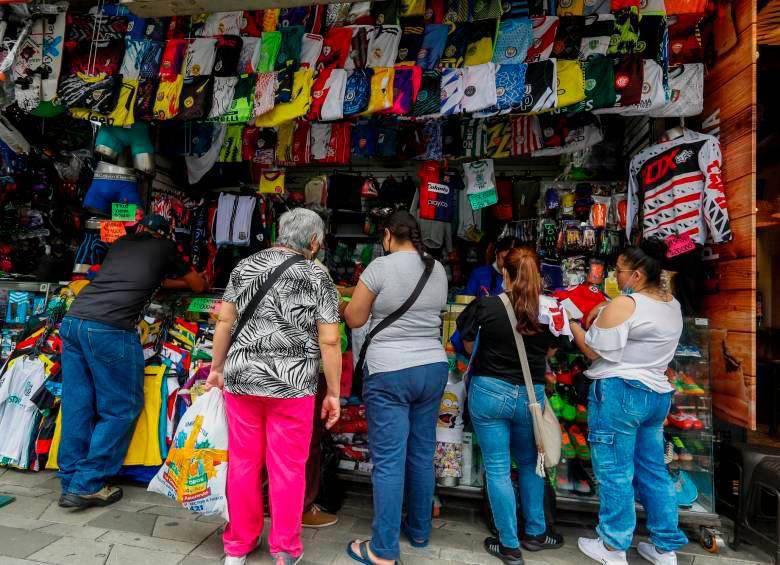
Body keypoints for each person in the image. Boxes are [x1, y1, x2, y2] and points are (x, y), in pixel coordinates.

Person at [205, 208, 342, 565]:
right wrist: (333, 392)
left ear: (280, 233)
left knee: (244, 463)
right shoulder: (318, 275)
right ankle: (283, 549)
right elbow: (329, 341)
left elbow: (224, 322)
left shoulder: (246, 267)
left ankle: (238, 545)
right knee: (288, 468)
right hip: (292, 385)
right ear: (314, 241)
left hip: (242, 378)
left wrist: (217, 367)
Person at [58, 214, 208, 509]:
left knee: (78, 404)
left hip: (74, 321)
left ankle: (71, 477)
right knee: (121, 408)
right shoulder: (166, 247)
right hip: (110, 328)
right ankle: (88, 484)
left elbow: (144, 275)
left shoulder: (122, 244)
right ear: (165, 234)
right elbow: (197, 286)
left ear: (141, 229)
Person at [569, 239, 688, 565]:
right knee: (653, 471)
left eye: (619, 271)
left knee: (615, 472)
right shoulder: (672, 305)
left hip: (620, 393)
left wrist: (572, 323)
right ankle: (665, 549)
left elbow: (593, 352)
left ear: (636, 274)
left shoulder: (627, 304)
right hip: (656, 395)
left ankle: (612, 546)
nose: (614, 275)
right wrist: (605, 309)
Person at [342, 211, 448, 565]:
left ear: (387, 236)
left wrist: (344, 304)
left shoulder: (380, 268)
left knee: (388, 462)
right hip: (432, 367)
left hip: (390, 371)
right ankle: (418, 531)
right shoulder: (437, 268)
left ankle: (383, 550)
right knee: (420, 452)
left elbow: (355, 318)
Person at [456, 248, 567, 565]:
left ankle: (508, 545)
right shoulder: (549, 311)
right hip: (531, 397)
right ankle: (534, 533)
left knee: (498, 469)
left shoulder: (486, 305)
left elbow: (464, 341)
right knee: (532, 463)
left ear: (504, 273)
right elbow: (552, 353)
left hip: (489, 392)